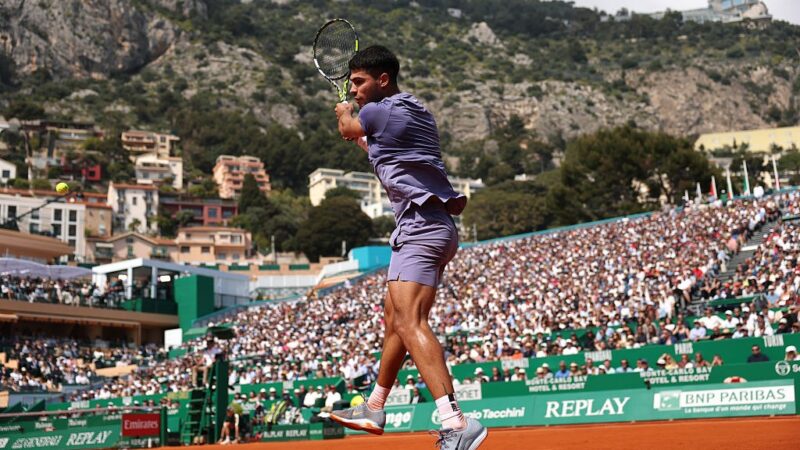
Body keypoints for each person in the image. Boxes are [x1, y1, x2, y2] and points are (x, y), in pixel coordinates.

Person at [330, 45, 486, 450]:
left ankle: (456, 422)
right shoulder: (413, 110)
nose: (355, 89)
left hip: (420, 227)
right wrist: (362, 133)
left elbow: (351, 129)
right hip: (432, 227)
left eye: (360, 82)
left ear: (383, 80)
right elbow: (380, 147)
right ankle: (375, 405)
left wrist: (344, 113)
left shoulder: (377, 111)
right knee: (395, 319)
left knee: (411, 321)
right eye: (351, 84)